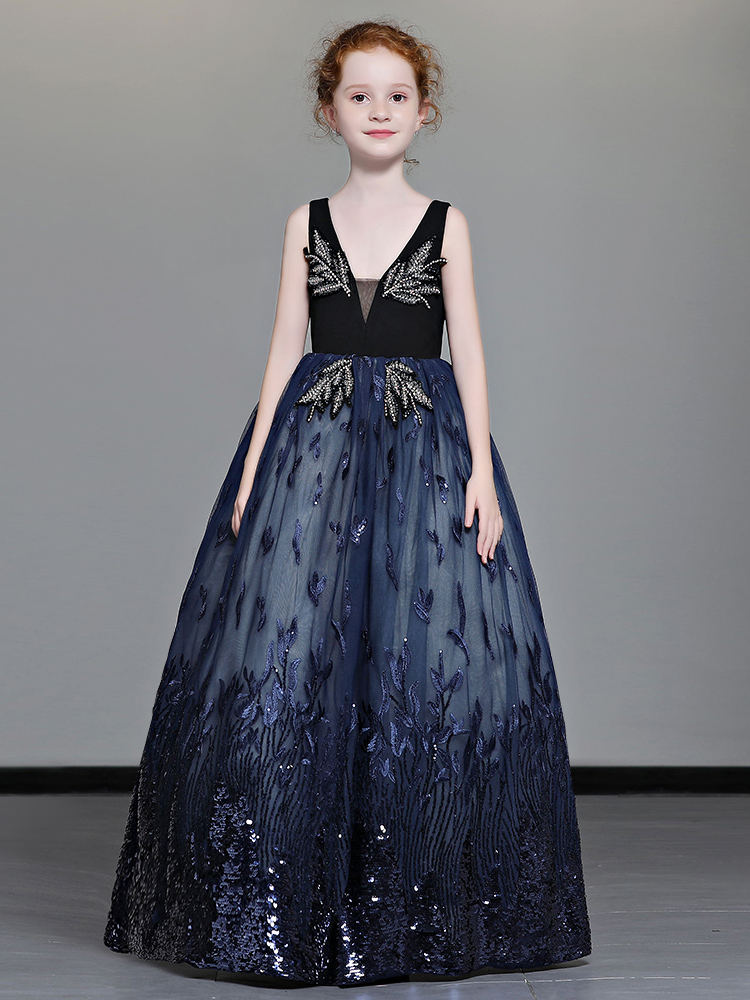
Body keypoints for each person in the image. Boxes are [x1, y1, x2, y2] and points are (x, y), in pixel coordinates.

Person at [103, 19, 592, 987]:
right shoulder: (305, 223)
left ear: (424, 111)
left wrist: (481, 471)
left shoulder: (448, 224)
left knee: (418, 656)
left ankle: (413, 900)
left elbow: (469, 350)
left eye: (397, 96)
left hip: (424, 452)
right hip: (314, 453)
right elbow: (283, 348)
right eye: (359, 95)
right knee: (300, 653)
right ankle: (284, 903)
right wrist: (253, 470)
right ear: (329, 111)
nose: (378, 110)